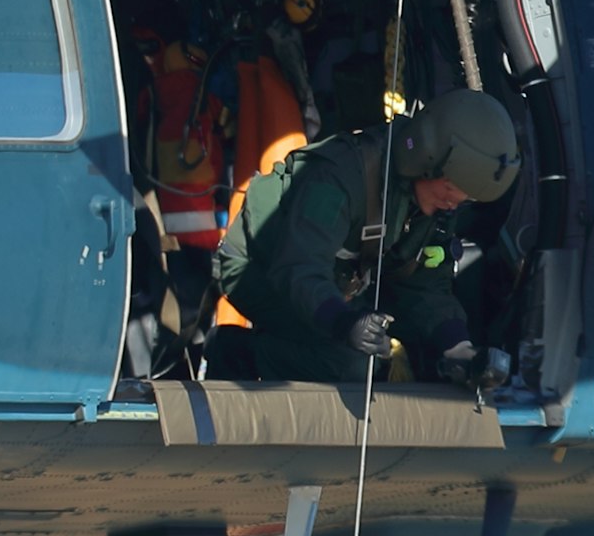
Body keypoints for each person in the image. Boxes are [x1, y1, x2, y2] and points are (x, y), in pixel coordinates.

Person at [215, 89, 523, 388]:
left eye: (465, 198)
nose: (455, 203)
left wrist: (459, 349)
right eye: (453, 190)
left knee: (410, 348)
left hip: (339, 278)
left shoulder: (435, 203)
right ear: (427, 161)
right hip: (259, 269)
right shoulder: (340, 177)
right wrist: (344, 323)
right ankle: (239, 353)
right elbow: (299, 268)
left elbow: (424, 284)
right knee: (353, 364)